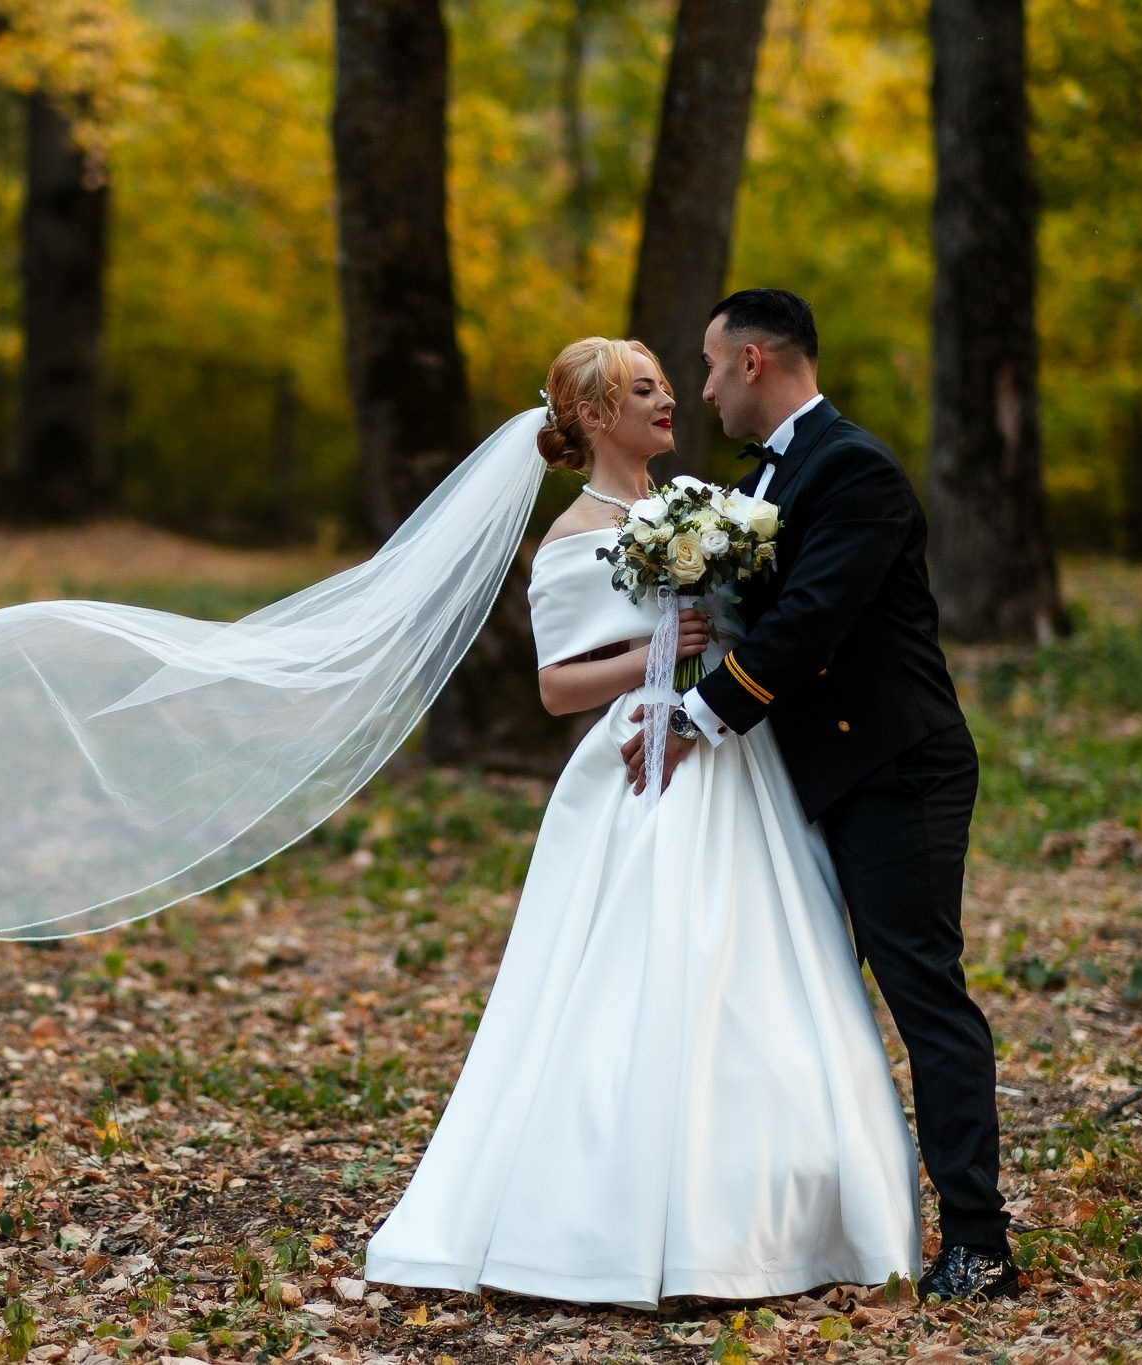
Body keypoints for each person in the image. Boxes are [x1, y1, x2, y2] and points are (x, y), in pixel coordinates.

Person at [360, 336, 923, 1308]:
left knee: (747, 975)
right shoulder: (574, 537)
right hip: (638, 755)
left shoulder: (700, 507)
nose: (667, 399)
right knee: (641, 971)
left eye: (666, 382)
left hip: (726, 749)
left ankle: (764, 1219)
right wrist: (657, 651)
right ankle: (600, 1222)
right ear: (588, 416)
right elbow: (551, 687)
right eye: (641, 389)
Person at [620, 289, 1015, 1302]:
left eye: (708, 367)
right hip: (809, 773)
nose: (699, 388)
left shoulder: (852, 471)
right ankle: (802, 1231)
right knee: (796, 1000)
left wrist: (689, 720)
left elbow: (807, 626)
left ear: (753, 362)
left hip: (892, 772)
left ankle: (977, 1243)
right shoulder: (768, 473)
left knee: (920, 992)